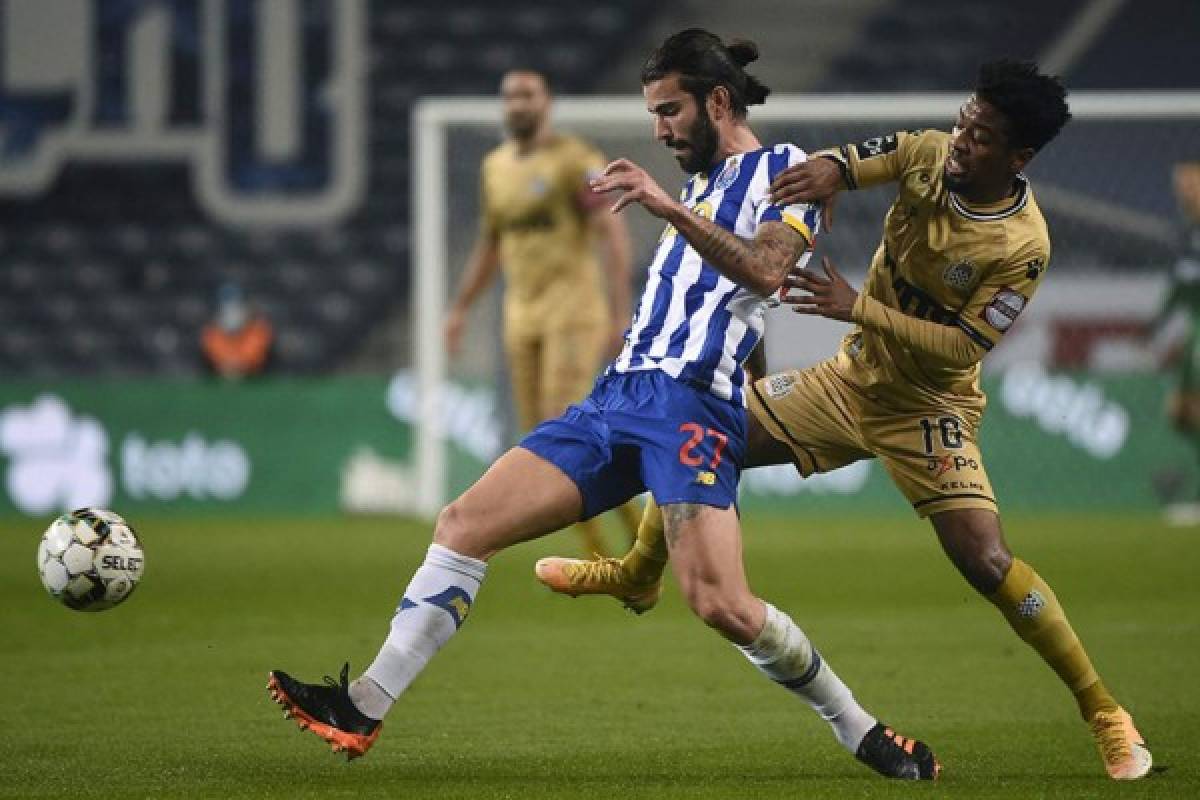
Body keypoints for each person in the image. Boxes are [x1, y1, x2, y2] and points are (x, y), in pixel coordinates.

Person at [268, 29, 940, 780]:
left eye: (670, 111)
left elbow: (763, 274)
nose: (660, 129)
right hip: (619, 395)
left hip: (691, 408)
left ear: (718, 102)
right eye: (653, 113)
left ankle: (862, 731)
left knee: (722, 604)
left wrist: (665, 210)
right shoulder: (695, 186)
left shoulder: (786, 173)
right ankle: (363, 706)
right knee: (462, 525)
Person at [535, 59, 1154, 782]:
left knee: (985, 561)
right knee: (709, 428)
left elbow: (963, 345)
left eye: (981, 138)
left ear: (1017, 157)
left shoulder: (1024, 247)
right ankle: (639, 575)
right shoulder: (927, 153)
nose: (960, 142)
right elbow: (841, 163)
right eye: (963, 121)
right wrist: (814, 178)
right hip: (846, 383)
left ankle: (1104, 711)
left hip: (930, 408)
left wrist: (854, 306)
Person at [443, 67, 641, 556]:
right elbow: (491, 244)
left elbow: (611, 232)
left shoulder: (575, 161)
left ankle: (623, 544)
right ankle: (610, 539)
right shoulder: (495, 167)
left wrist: (621, 311)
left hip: (573, 309)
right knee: (541, 438)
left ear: (547, 102)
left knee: (563, 423)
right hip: (521, 314)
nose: (517, 104)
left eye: (527, 94)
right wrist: (460, 308)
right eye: (510, 95)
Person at [1149, 162, 1200, 523]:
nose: (1184, 191)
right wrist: (1160, 326)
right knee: (1181, 412)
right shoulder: (1186, 234)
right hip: (1194, 330)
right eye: (1180, 185)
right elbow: (1181, 290)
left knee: (1189, 408)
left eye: (1191, 183)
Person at [200, 282, 273, 379]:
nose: (231, 313)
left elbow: (255, 356)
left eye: (237, 306)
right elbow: (215, 356)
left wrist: (239, 366)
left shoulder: (259, 329)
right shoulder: (210, 332)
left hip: (255, 379)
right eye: (225, 308)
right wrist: (228, 366)